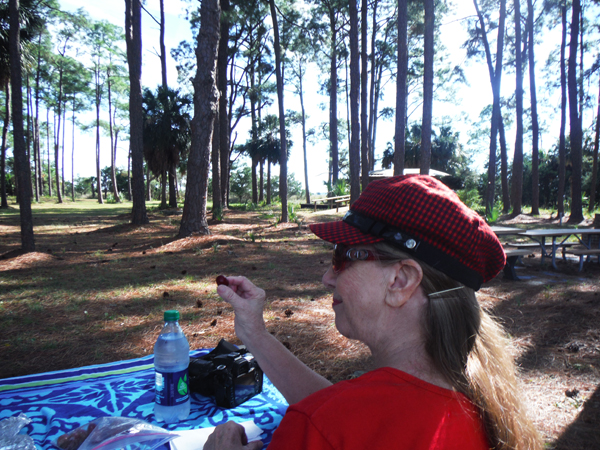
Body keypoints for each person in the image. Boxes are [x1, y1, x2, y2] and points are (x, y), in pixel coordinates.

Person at [205, 175, 542, 450]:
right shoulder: (478, 401)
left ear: (400, 280)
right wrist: (255, 334)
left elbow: (334, 421)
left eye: (342, 256)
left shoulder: (320, 429)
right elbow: (350, 412)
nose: (327, 277)